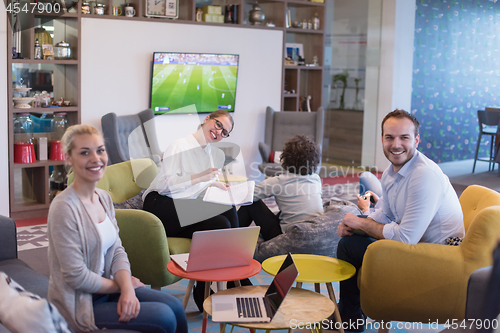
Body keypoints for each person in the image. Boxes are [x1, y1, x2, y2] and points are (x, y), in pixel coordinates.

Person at [47, 124, 188, 333]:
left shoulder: (103, 198)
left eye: (100, 150)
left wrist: (125, 285)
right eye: (85, 152)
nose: (96, 158)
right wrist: (124, 286)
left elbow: (117, 250)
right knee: (164, 316)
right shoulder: (63, 208)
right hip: (81, 303)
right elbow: (76, 276)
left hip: (110, 288)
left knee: (176, 307)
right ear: (69, 158)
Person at [336, 110, 465, 332]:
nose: (396, 144)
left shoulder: (424, 176)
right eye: (390, 137)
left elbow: (406, 238)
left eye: (404, 137)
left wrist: (364, 225)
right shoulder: (391, 172)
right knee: (350, 240)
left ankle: (351, 317)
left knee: (350, 247)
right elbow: (385, 214)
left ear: (416, 140)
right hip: (418, 245)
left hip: (439, 258)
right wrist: (355, 223)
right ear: (382, 139)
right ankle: (352, 315)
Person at [142, 110, 240, 311]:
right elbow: (170, 186)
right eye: (218, 124)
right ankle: (236, 281)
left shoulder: (210, 153)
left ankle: (207, 285)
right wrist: (200, 177)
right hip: (161, 204)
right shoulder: (179, 145)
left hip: (183, 204)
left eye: (225, 132)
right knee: (225, 214)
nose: (219, 132)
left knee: (223, 220)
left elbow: (198, 189)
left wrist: (216, 187)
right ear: (207, 120)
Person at [238, 135, 323, 240]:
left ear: (285, 159)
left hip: (288, 237)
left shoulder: (279, 182)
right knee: (287, 211)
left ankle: (228, 236)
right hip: (316, 233)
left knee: (252, 203)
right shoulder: (316, 179)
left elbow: (246, 195)